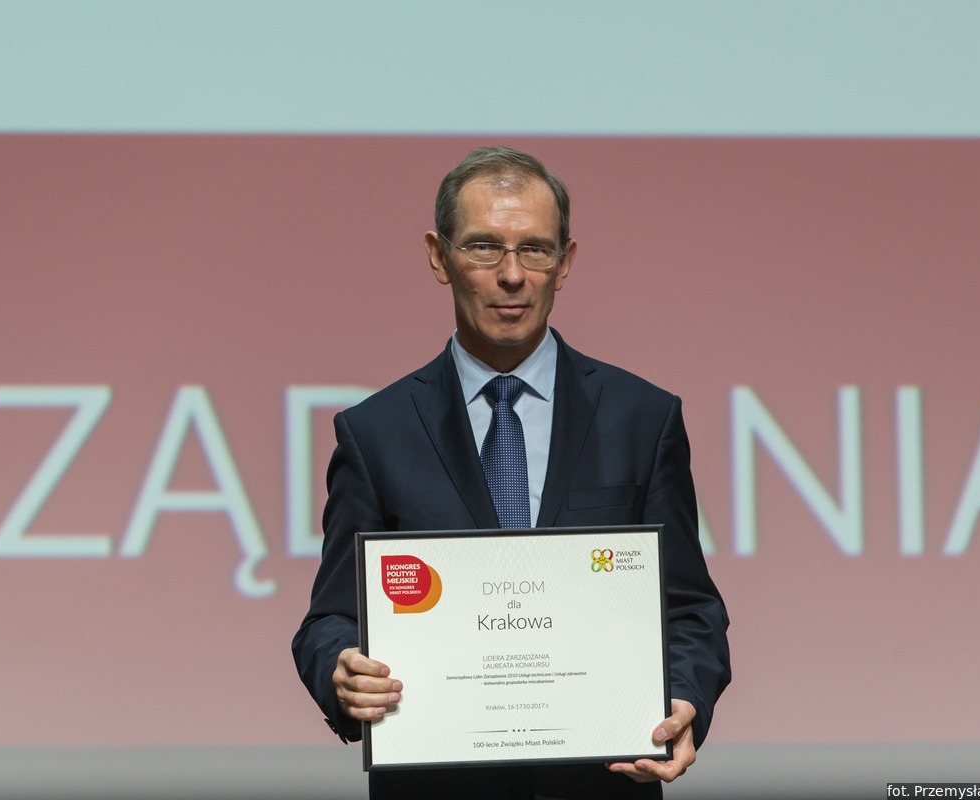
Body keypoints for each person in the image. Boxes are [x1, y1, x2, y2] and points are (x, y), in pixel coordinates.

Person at [292, 146, 730, 799]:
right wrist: (341, 670)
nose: (512, 275)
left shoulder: (643, 419)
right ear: (438, 256)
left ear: (566, 262)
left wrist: (684, 696)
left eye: (535, 250)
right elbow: (329, 619)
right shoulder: (375, 433)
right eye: (483, 247)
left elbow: (691, 607)